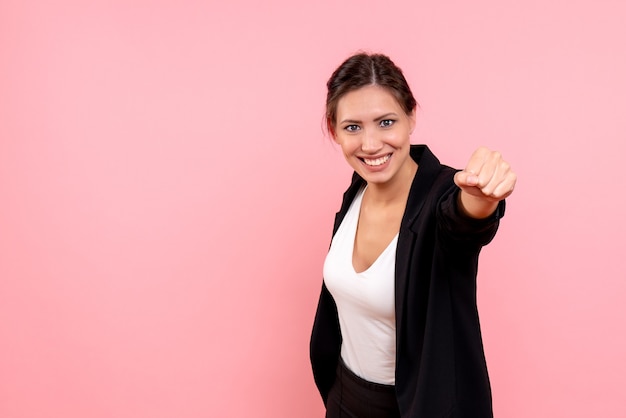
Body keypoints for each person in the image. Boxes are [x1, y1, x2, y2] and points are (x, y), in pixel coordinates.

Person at [309, 52, 517, 418]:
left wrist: (482, 198)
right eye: (352, 127)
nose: (370, 145)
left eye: (385, 122)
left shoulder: (441, 196)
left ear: (411, 117)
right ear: (334, 131)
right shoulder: (356, 190)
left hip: (417, 406)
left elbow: (462, 222)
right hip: (344, 397)